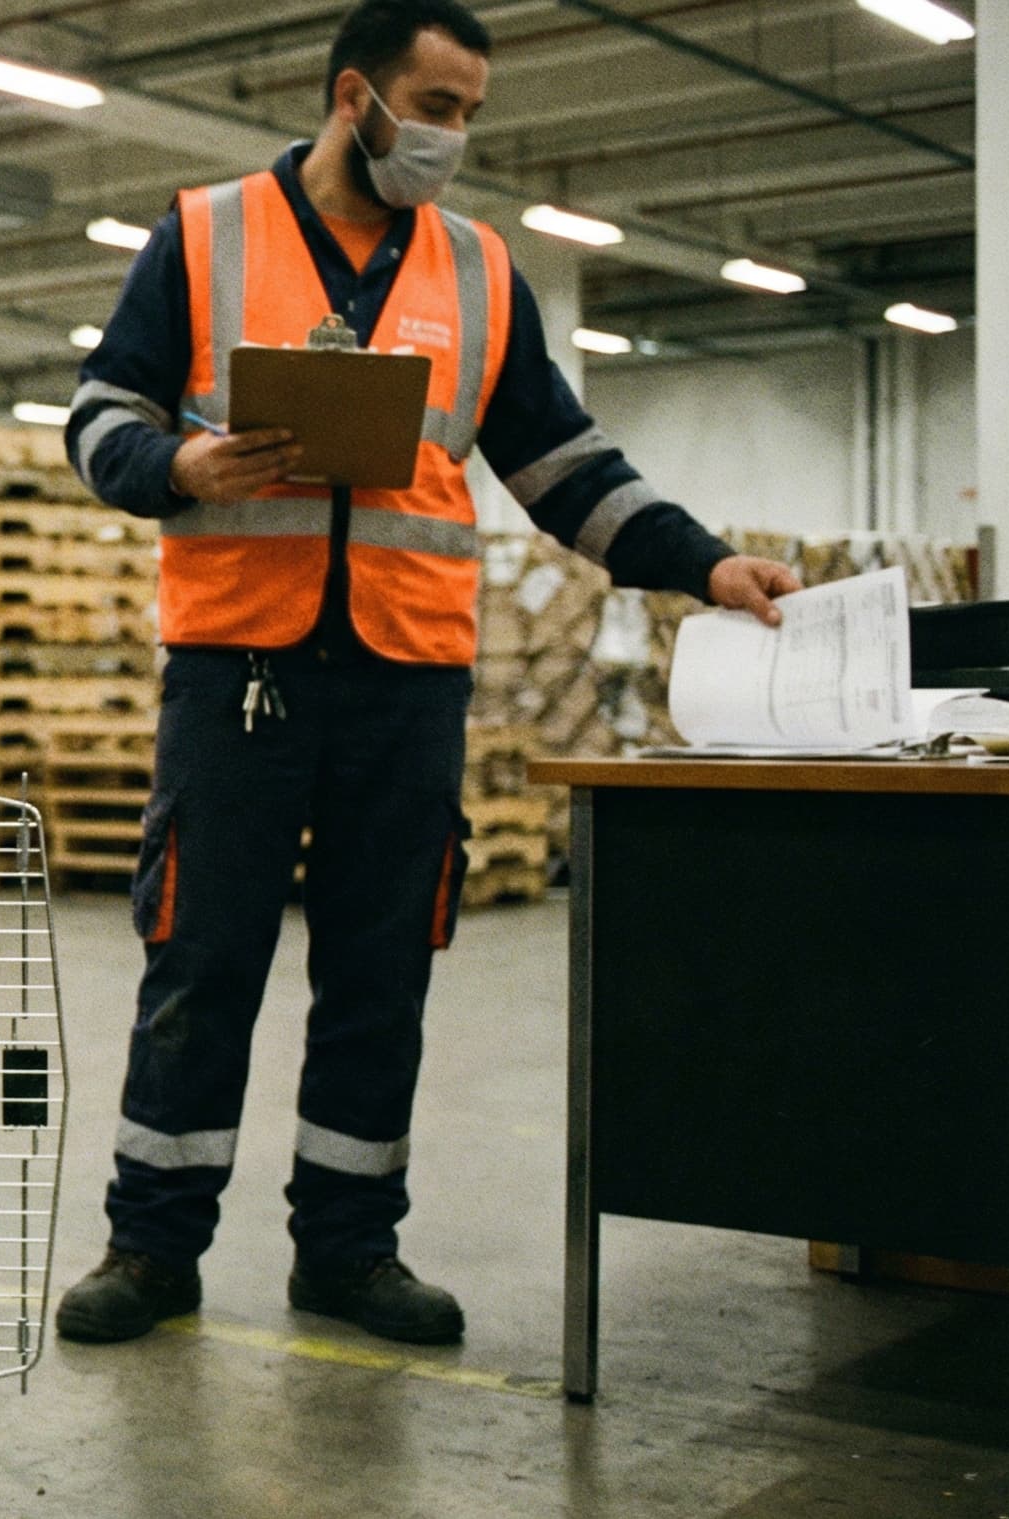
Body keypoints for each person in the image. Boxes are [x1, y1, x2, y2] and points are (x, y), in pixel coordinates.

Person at [55, 0, 801, 1346]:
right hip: (240, 672)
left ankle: (346, 1251)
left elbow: (563, 468)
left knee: (381, 969)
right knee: (200, 959)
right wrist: (178, 464)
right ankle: (151, 1248)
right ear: (360, 96)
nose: (454, 137)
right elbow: (101, 411)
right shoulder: (208, 234)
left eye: (469, 114)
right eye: (440, 107)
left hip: (407, 676)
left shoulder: (475, 269)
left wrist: (708, 567)